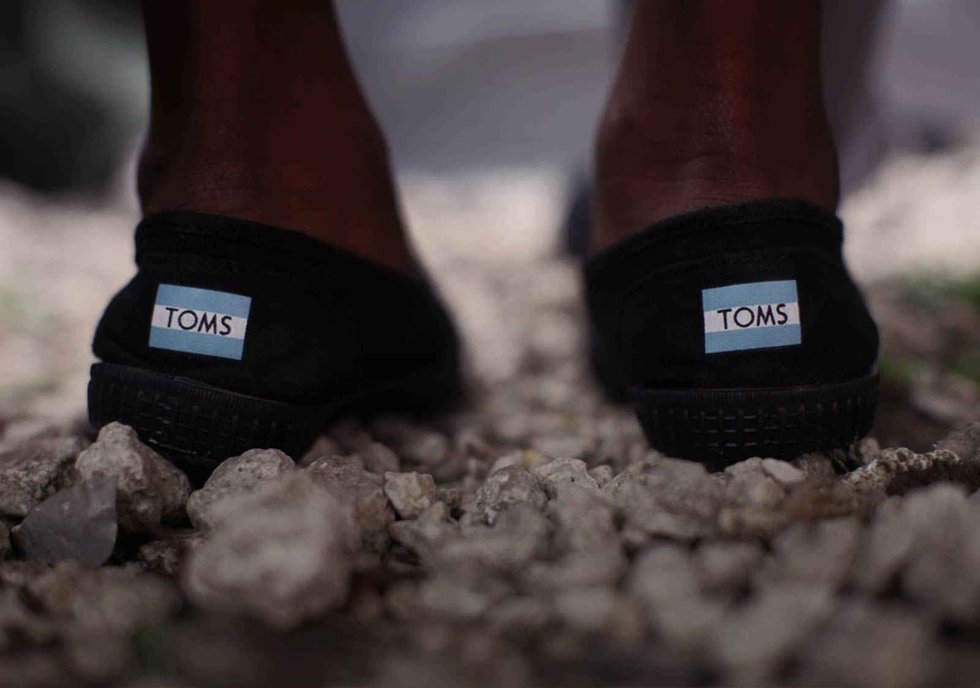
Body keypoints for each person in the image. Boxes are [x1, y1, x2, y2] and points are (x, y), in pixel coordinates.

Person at [88, 0, 879, 474]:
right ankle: (726, 162)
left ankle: (236, 176)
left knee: (242, 168)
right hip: (782, 273)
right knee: (722, 178)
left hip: (194, 270)